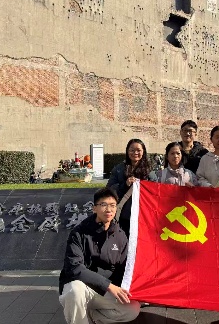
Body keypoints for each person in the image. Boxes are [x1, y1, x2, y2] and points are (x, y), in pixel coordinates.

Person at [58, 187, 140, 324]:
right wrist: (108, 286)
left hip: (105, 290)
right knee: (74, 291)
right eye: (104, 205)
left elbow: (124, 269)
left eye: (112, 205)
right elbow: (75, 268)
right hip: (83, 286)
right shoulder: (79, 233)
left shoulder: (120, 236)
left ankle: (90, 316)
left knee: (133, 309)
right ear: (94, 208)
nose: (109, 209)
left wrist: (132, 289)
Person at [107, 139, 155, 236]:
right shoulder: (119, 169)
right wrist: (125, 185)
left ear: (143, 152)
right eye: (132, 150)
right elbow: (109, 190)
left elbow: (155, 192)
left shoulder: (150, 170)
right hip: (124, 215)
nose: (135, 153)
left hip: (143, 216)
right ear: (127, 151)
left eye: (138, 150)